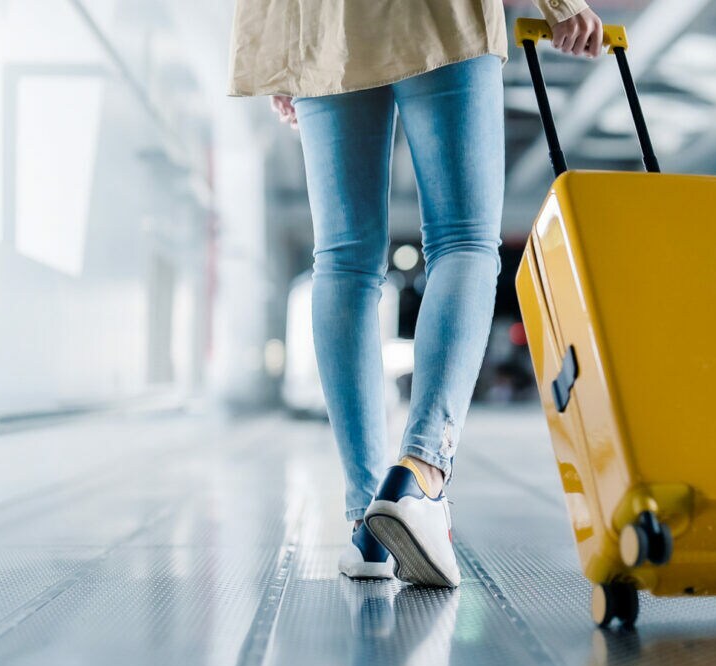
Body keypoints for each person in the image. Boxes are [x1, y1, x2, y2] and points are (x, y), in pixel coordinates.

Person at [229, 1, 605, 587]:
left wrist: (279, 52)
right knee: (463, 240)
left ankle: (367, 524)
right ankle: (423, 471)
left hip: (319, 21)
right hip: (438, 16)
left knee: (343, 260)